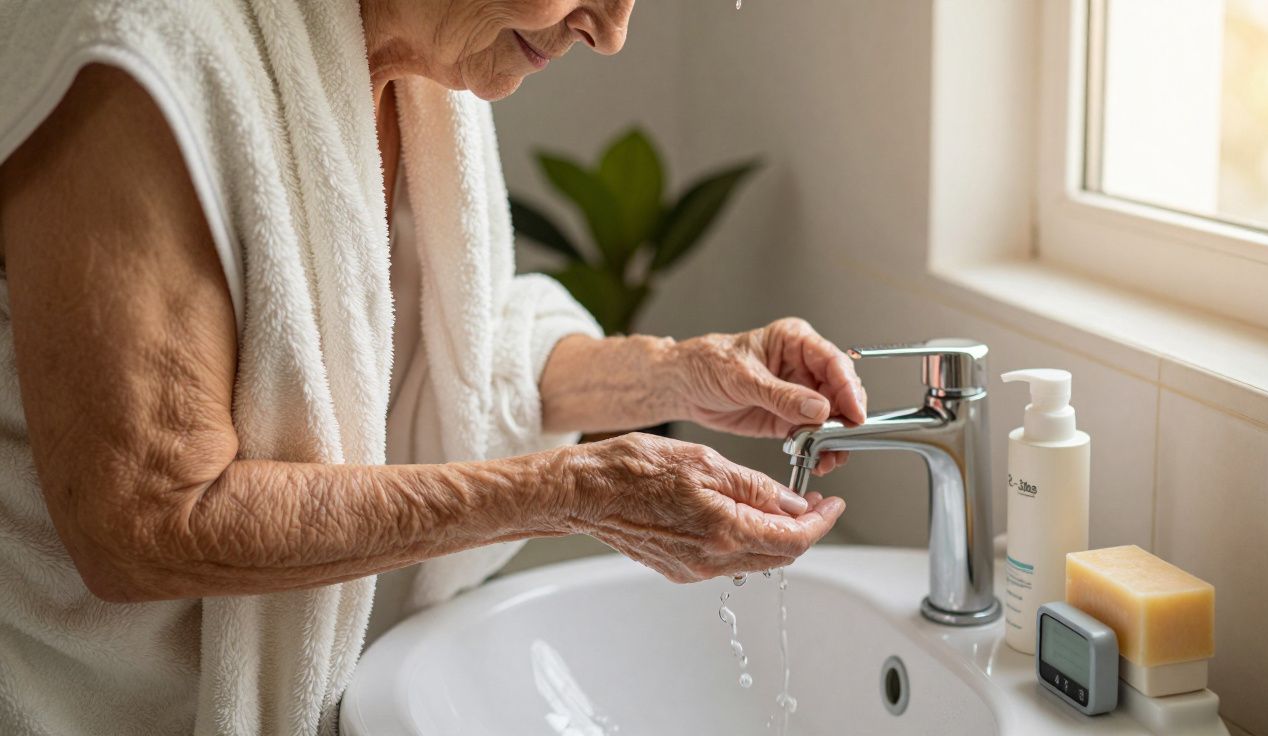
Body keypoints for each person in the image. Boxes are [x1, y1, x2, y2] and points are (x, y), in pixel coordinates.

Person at [0, 0, 865, 733]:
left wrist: (677, 370)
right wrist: (575, 491)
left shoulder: (414, 66)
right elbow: (150, 520)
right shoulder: (138, 55)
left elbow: (465, 358)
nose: (610, 32)